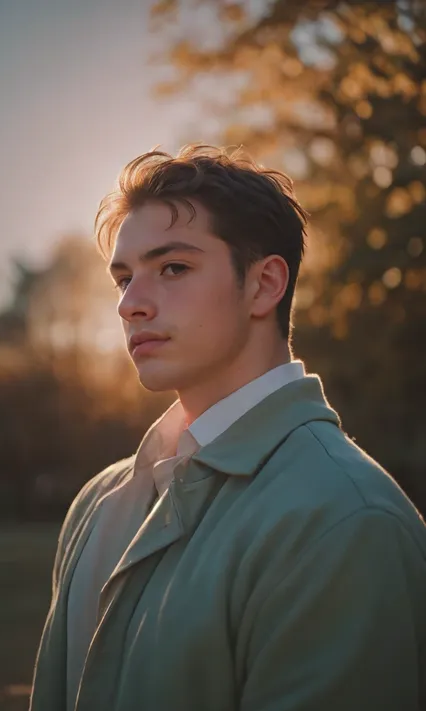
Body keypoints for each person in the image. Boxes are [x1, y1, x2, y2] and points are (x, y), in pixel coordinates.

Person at [30, 144, 426, 711]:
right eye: (123, 280)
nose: (131, 305)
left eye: (173, 268)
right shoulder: (98, 504)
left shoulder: (346, 520)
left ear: (265, 284)